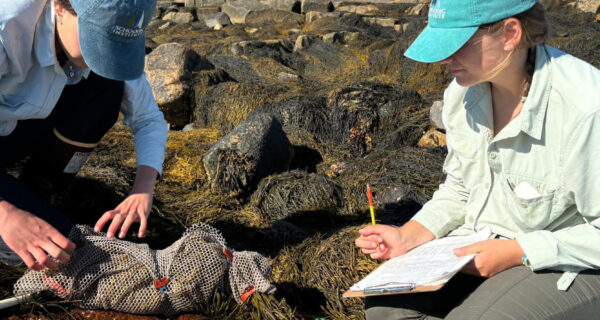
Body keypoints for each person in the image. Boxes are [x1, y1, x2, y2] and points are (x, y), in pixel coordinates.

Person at [355, 0, 600, 319]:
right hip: (484, 241)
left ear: (510, 33)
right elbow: (461, 188)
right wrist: (409, 235)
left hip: (571, 260)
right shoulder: (461, 95)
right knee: (387, 308)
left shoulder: (585, 109)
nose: (445, 58)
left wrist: (519, 251)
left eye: (457, 44)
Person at [0, 0, 167, 271]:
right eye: (98, 40)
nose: (105, 55)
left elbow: (148, 119)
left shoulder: (116, 41)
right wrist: (5, 216)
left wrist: (143, 188)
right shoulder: (6, 29)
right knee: (66, 253)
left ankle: (41, 189)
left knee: (109, 85)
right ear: (59, 7)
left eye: (116, 45)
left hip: (20, 128)